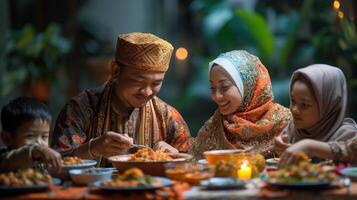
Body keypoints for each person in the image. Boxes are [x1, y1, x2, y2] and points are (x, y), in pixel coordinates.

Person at [51, 32, 193, 167]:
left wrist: (175, 157)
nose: (147, 91)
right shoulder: (79, 108)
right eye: (138, 81)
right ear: (115, 71)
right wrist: (92, 149)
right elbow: (54, 165)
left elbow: (192, 166)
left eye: (156, 83)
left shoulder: (168, 117)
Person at [193, 50, 291, 159]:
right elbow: (196, 164)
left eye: (224, 87)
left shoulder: (284, 123)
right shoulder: (214, 127)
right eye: (212, 88)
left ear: (248, 85)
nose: (217, 96)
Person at [273, 64, 357, 166]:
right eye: (293, 101)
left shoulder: (346, 135)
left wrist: (310, 146)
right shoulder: (293, 130)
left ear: (328, 104)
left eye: (304, 105)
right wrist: (282, 151)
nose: (294, 110)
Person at [0, 97, 62, 172]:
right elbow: (11, 159)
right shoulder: (5, 159)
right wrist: (36, 150)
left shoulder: (41, 162)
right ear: (7, 138)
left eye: (44, 136)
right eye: (30, 136)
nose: (39, 143)